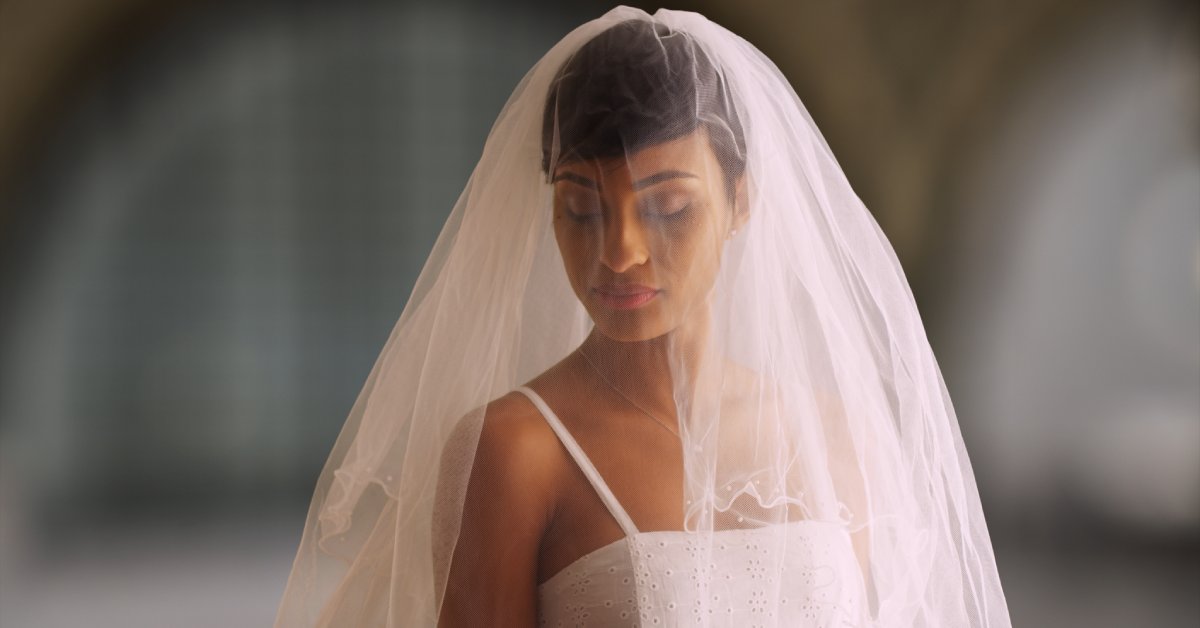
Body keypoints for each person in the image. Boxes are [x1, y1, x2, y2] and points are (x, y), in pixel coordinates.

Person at [273, 6, 1012, 627]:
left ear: (742, 201)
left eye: (668, 207)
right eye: (581, 208)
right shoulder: (516, 451)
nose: (620, 252)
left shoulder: (836, 437)